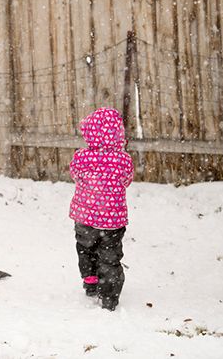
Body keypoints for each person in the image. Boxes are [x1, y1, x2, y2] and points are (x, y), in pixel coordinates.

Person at [68, 107, 134, 311]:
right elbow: (126, 180)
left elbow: (75, 176)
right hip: (112, 220)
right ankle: (109, 296)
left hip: (85, 217)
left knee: (86, 248)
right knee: (110, 255)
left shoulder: (81, 157)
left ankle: (90, 280)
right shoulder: (123, 160)